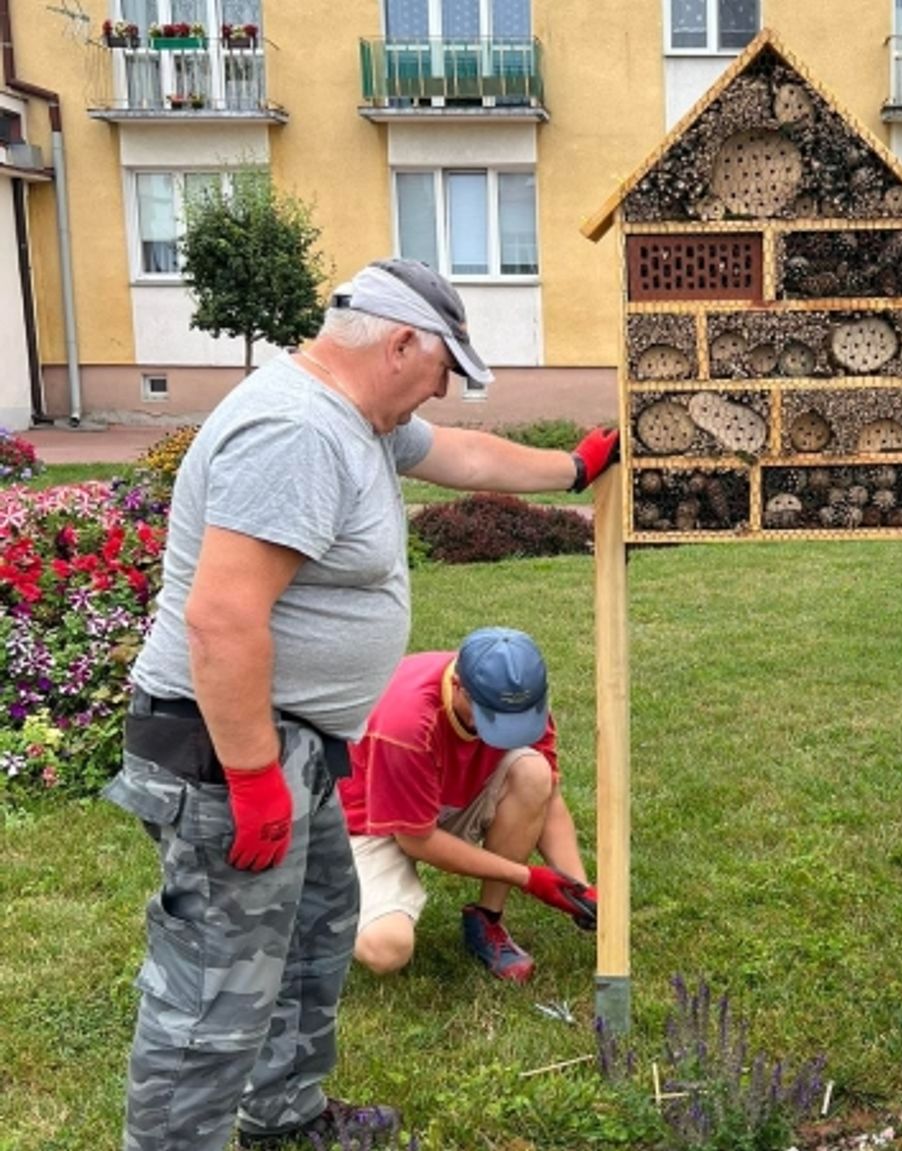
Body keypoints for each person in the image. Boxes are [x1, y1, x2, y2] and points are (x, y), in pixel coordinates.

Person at [102, 258, 621, 1151]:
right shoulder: (295, 430)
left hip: (296, 748)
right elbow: (222, 617)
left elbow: (461, 452)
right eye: (439, 366)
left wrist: (573, 467)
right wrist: (257, 776)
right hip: (227, 751)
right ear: (400, 341)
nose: (442, 386)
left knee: (311, 942)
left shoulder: (360, 420)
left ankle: (286, 1120)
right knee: (215, 990)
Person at [342, 627, 596, 983]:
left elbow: (547, 798)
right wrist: (528, 878)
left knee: (534, 772)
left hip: (444, 801)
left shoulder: (519, 701)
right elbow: (416, 839)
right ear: (459, 686)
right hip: (372, 821)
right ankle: (319, 896)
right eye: (492, 719)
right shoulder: (407, 722)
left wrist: (580, 892)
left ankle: (486, 920)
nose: (509, 730)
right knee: (387, 949)